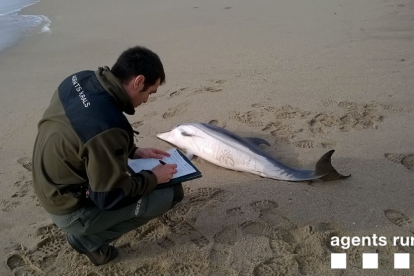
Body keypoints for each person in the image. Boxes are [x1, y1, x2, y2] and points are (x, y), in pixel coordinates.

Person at [32, 46, 183, 266]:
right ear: (138, 81)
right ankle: (89, 241)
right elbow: (109, 197)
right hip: (68, 206)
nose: (146, 101)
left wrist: (134, 151)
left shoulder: (78, 79)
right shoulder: (108, 126)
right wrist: (153, 177)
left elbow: (83, 136)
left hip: (46, 182)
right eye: (149, 93)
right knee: (169, 194)